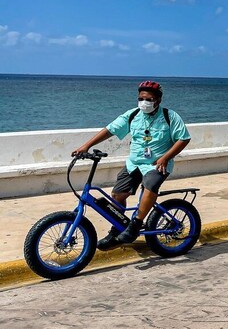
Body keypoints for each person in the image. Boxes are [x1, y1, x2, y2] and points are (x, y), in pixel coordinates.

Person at [72, 81, 191, 249]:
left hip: (156, 165)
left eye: (149, 99)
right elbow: (110, 129)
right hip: (134, 164)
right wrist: (86, 145)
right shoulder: (133, 115)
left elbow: (184, 138)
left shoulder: (169, 117)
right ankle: (117, 230)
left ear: (158, 100)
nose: (144, 102)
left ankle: (135, 225)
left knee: (150, 184)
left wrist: (166, 157)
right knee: (117, 195)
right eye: (141, 98)